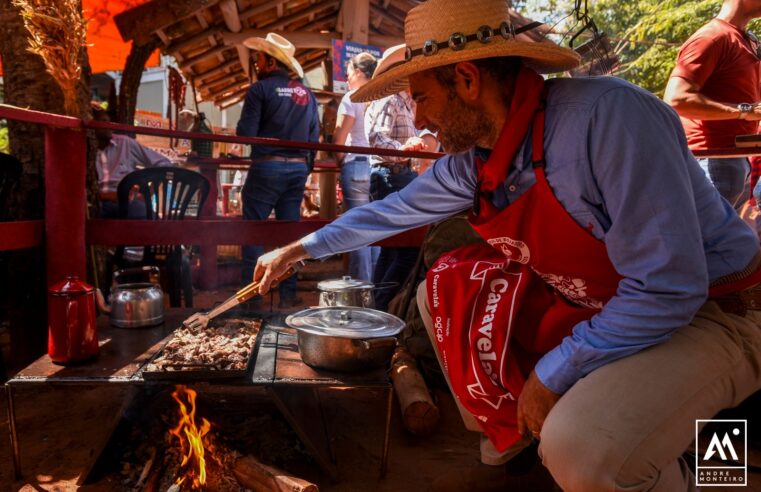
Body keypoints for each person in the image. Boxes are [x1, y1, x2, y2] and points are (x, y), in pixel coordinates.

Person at [253, 0, 761, 490]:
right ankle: (616, 445)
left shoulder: (608, 119)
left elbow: (670, 288)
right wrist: (297, 250)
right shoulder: (474, 161)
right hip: (612, 304)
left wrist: (553, 372)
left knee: (580, 449)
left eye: (422, 99)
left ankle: (685, 468)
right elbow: (386, 213)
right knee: (447, 285)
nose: (421, 121)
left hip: (715, 310)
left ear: (468, 80)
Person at [236, 32, 320, 309]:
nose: (257, 64)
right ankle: (287, 295)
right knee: (288, 234)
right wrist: (305, 169)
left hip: (267, 167)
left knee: (252, 231)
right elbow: (313, 138)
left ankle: (250, 300)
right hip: (296, 170)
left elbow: (245, 134)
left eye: (259, 59)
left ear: (271, 62)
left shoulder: (259, 90)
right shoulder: (307, 94)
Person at [664, 0, 761, 208]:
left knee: (725, 240)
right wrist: (745, 111)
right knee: (710, 239)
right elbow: (677, 99)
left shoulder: (745, 41)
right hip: (713, 160)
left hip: (736, 161)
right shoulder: (712, 37)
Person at [365, 45, 428, 311]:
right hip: (390, 175)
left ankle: (377, 309)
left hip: (399, 175)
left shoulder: (406, 100)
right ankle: (382, 310)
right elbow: (376, 139)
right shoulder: (389, 98)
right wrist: (405, 151)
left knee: (393, 248)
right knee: (405, 250)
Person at [332, 51, 380, 282]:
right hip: (378, 166)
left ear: (360, 72)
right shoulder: (381, 96)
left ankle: (360, 291)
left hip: (356, 165)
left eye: (349, 72)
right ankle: (376, 289)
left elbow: (339, 138)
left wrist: (340, 159)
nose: (347, 78)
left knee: (358, 231)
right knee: (376, 229)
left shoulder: (352, 97)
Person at [92, 106, 173, 218]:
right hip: (98, 203)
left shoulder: (125, 143)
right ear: (92, 126)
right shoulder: (85, 149)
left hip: (128, 203)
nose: (109, 125)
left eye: (109, 121)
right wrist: (108, 196)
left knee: (151, 221)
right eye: (103, 122)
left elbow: (165, 164)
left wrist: (147, 192)